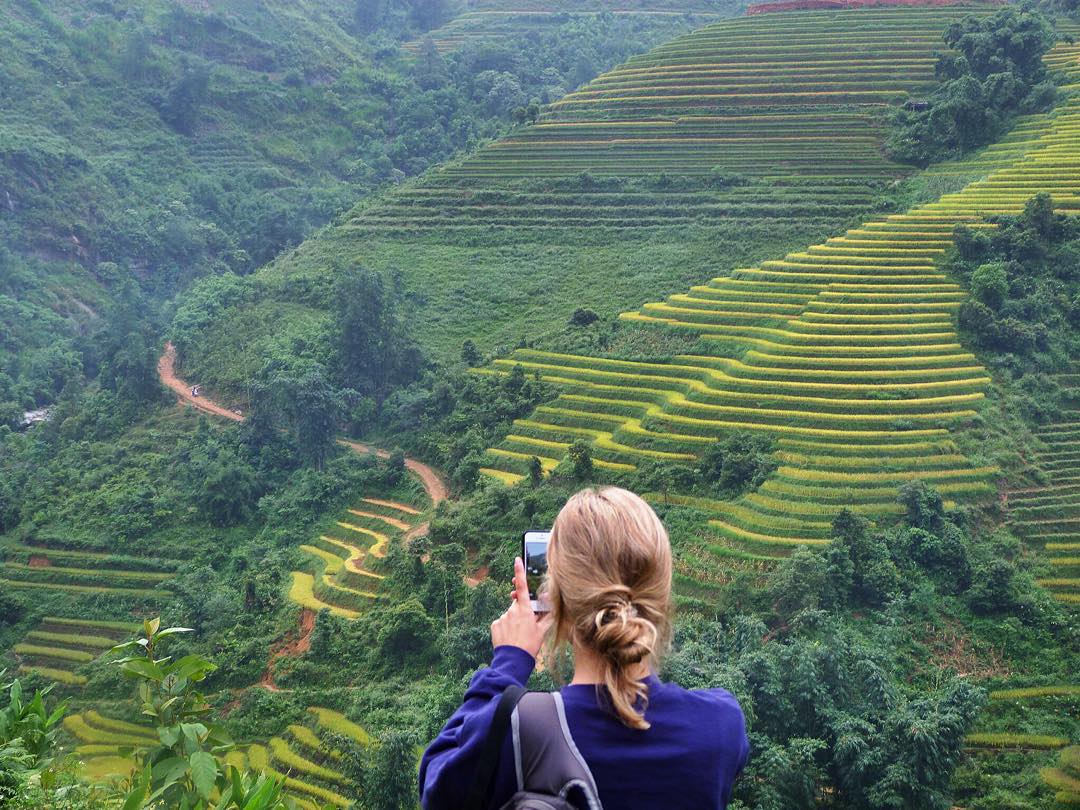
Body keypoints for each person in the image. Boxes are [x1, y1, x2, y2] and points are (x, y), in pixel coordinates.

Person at [419, 486, 749, 809]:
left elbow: (435, 783)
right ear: (662, 596)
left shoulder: (517, 732)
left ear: (557, 600)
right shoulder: (721, 726)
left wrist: (508, 662)